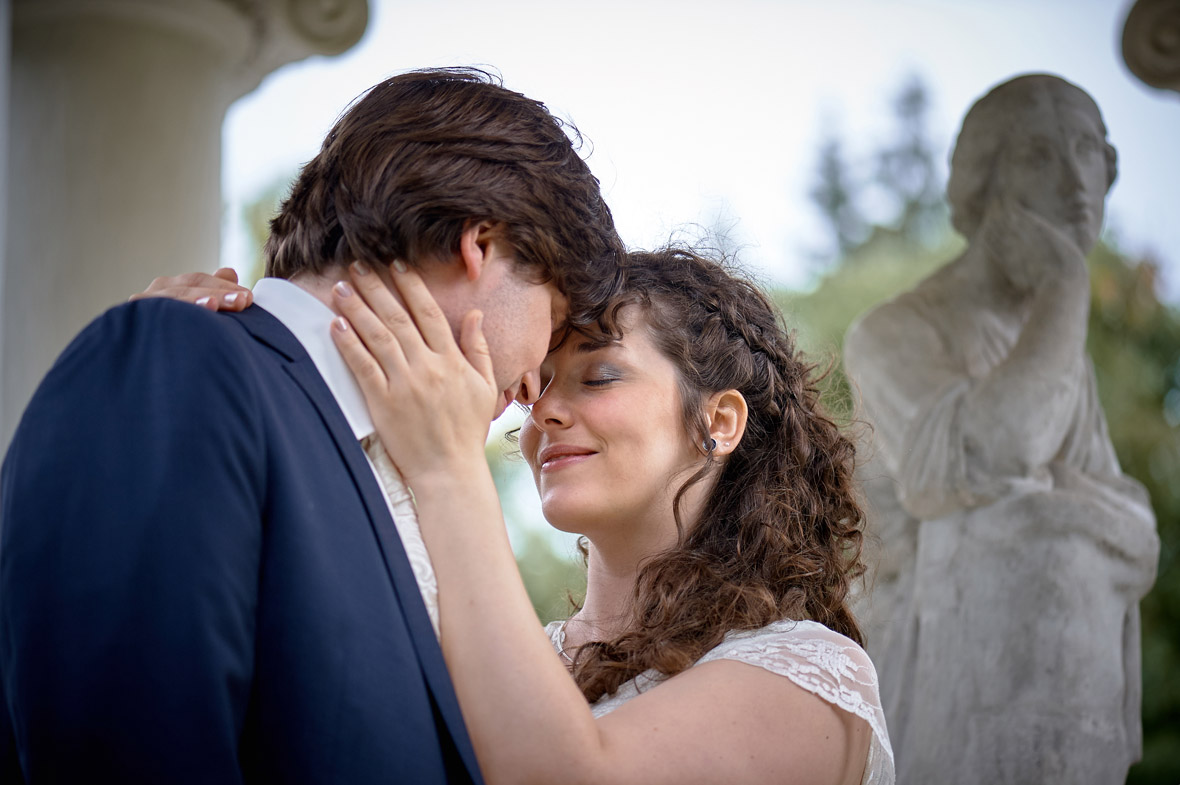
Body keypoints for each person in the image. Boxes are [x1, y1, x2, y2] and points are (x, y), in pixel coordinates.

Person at [0, 68, 624, 783]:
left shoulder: (422, 488)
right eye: (551, 320)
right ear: (479, 243)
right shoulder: (177, 363)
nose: (531, 387)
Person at [319, 246, 894, 784]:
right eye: (537, 386)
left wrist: (447, 469)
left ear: (718, 422)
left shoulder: (808, 674)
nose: (543, 413)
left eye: (598, 377)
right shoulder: (500, 657)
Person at [843, 74, 1158, 784]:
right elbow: (987, 461)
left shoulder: (1053, 350)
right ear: (987, 180)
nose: (1078, 179)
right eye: (1040, 155)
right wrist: (1067, 285)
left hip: (1050, 679)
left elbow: (1128, 515)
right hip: (932, 687)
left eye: (1088, 151)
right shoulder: (896, 331)